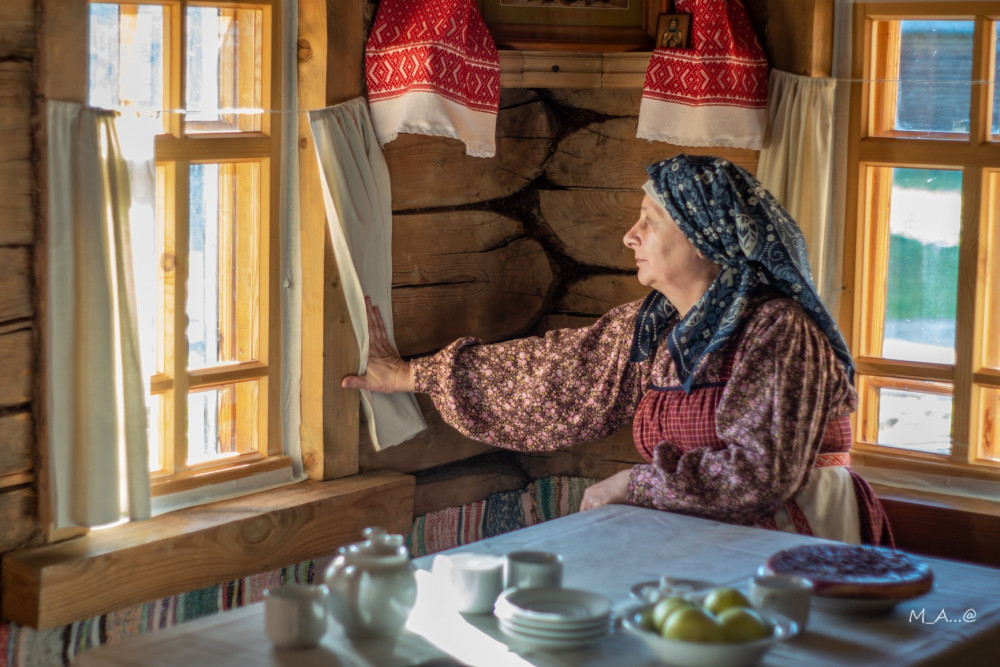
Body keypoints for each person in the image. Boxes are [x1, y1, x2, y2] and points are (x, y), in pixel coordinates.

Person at [343, 154, 893, 546]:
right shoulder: (659, 326)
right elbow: (550, 373)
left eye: (650, 222)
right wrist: (412, 375)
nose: (630, 236)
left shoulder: (778, 329)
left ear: (706, 239)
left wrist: (634, 482)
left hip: (797, 546)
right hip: (706, 543)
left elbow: (756, 475)